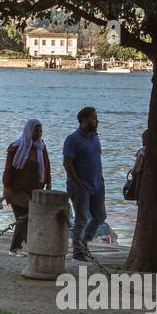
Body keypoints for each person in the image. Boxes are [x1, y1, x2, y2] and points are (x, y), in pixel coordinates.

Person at [3, 117, 51, 256]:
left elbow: (46, 166)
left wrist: (48, 183)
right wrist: (7, 187)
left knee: (27, 218)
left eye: (40, 130)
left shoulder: (41, 147)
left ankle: (25, 247)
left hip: (35, 190)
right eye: (35, 130)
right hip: (17, 189)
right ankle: (22, 247)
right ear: (29, 131)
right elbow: (8, 169)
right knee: (24, 217)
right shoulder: (16, 147)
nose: (38, 133)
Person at [63, 106, 105, 261]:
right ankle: (78, 251)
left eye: (96, 117)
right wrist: (77, 181)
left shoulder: (95, 136)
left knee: (100, 216)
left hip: (98, 183)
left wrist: (100, 178)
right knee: (81, 219)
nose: (97, 120)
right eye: (94, 117)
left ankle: (83, 242)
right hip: (80, 185)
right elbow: (67, 162)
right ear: (84, 120)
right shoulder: (73, 139)